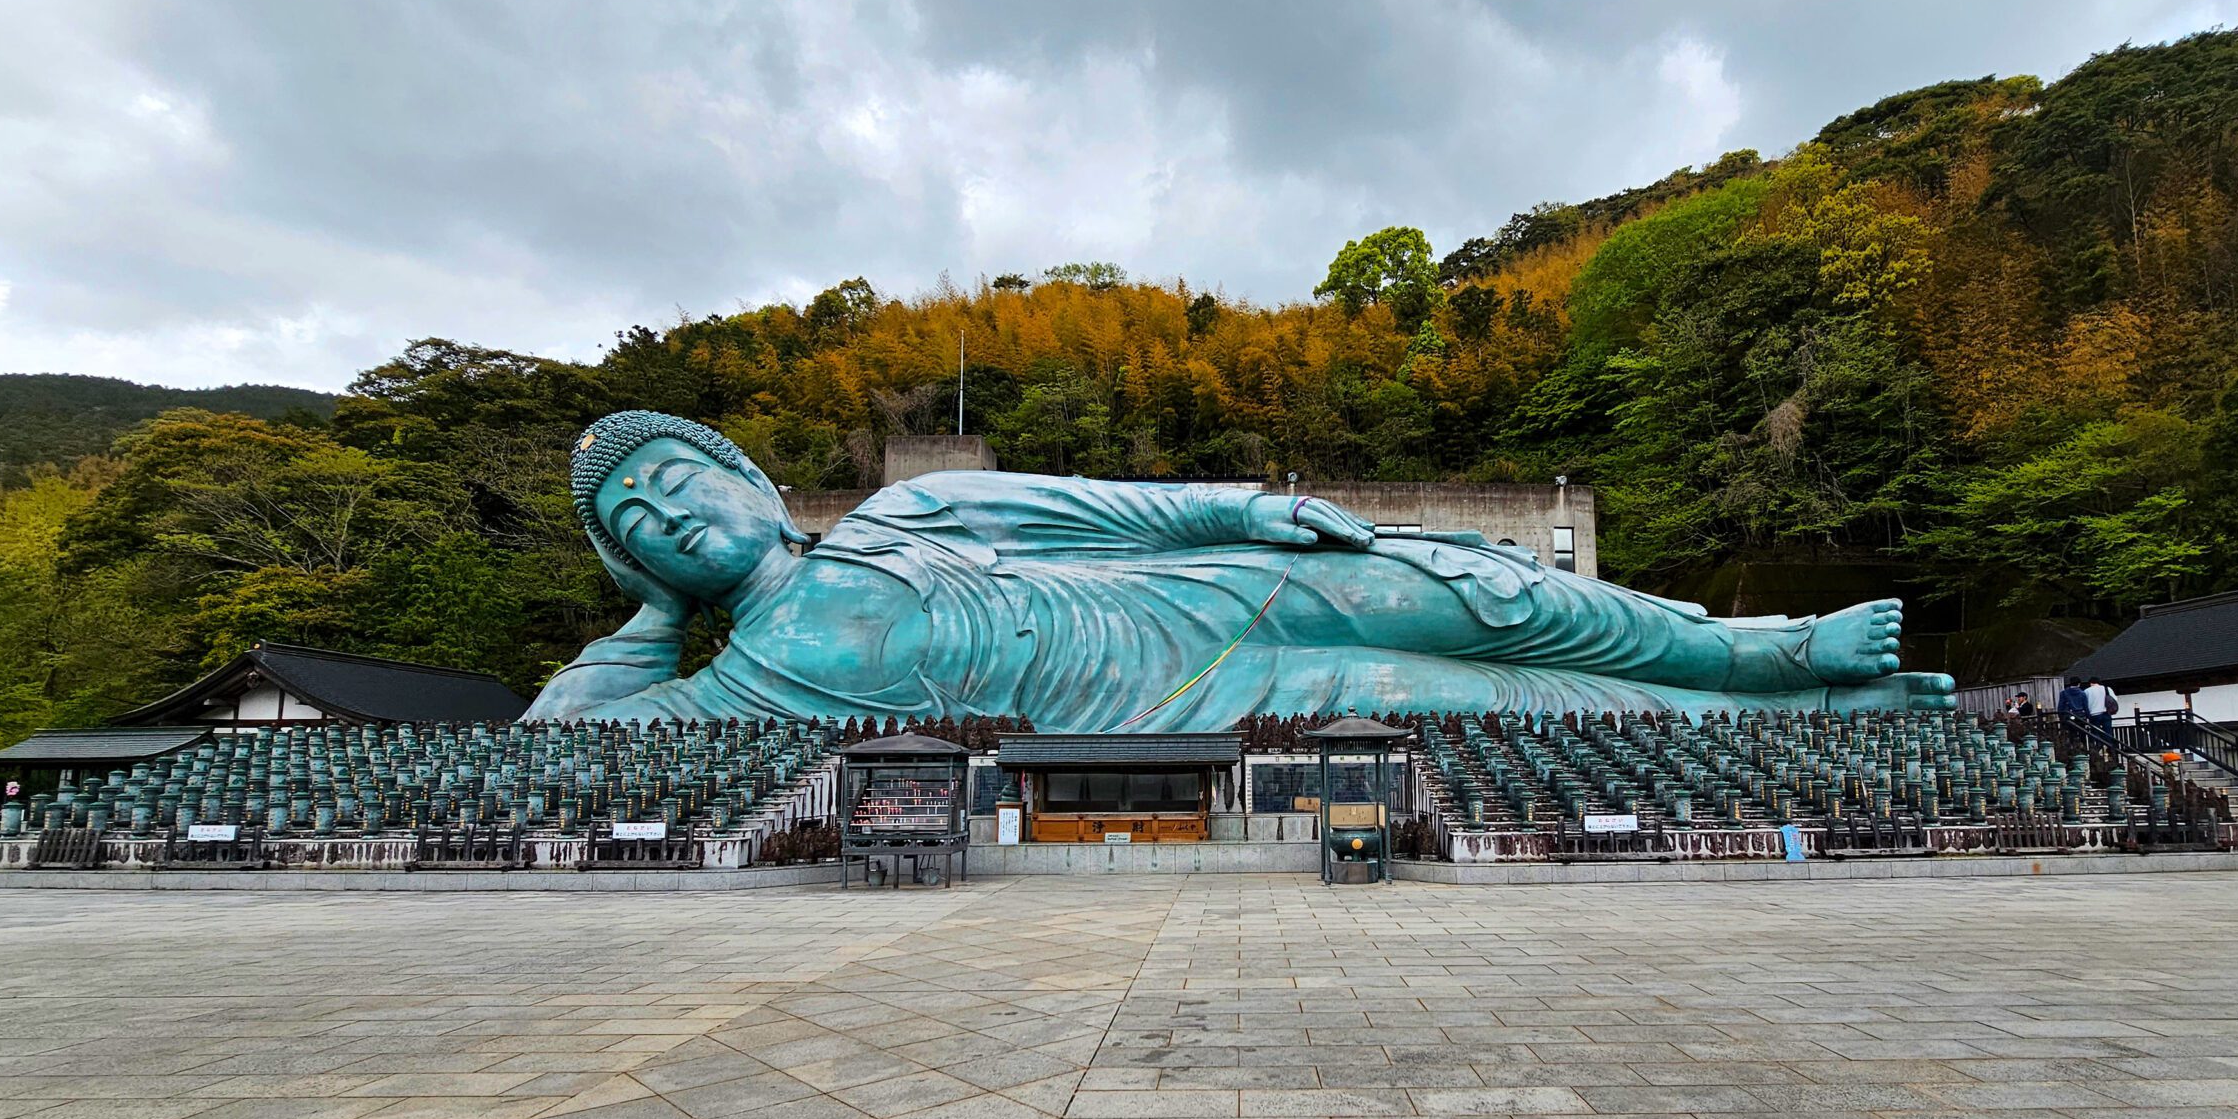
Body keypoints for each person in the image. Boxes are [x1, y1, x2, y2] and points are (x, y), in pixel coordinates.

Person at [526, 410, 1958, 730]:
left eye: (673, 481)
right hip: (1200, 697)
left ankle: (1757, 647)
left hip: (1198, 597)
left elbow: (1119, 512)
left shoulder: (924, 508)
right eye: (630, 526)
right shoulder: (747, 681)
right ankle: (1799, 715)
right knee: (1479, 700)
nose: (660, 516)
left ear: (759, 482)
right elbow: (557, 748)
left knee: (1486, 592)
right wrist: (653, 621)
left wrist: (1250, 515)